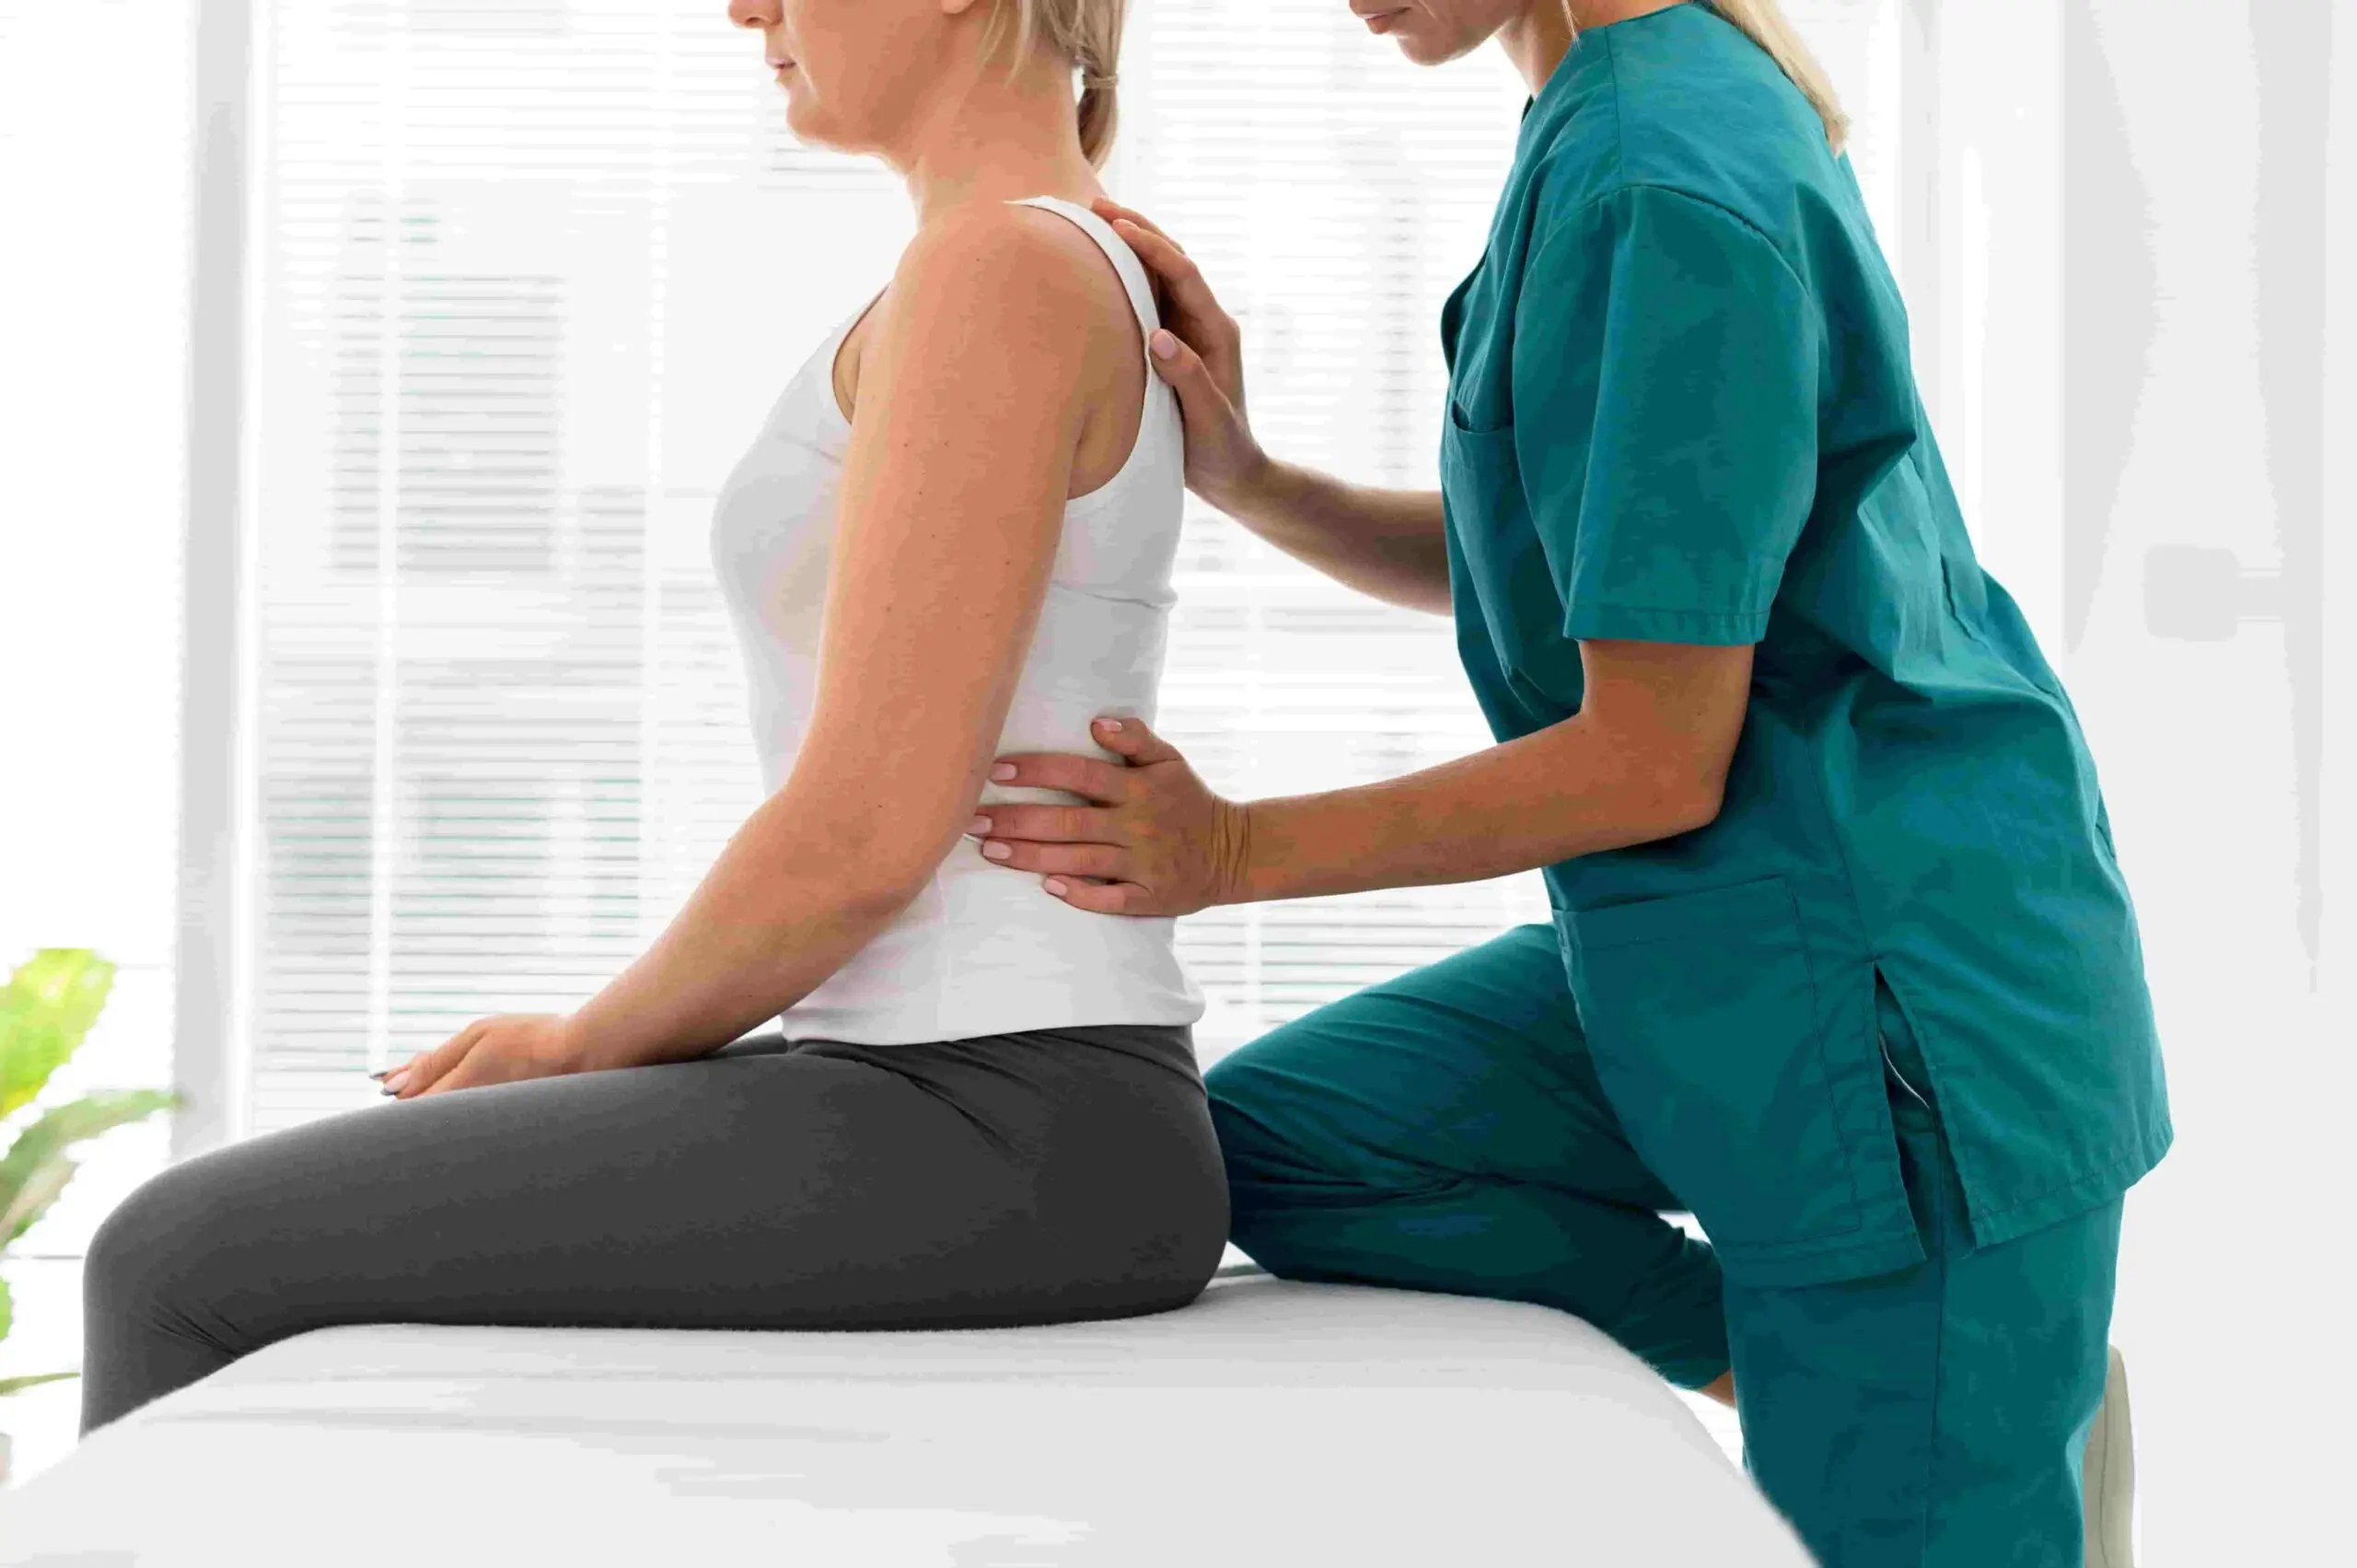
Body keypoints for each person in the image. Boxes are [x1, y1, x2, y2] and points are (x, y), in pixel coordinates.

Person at [969, 3, 2170, 1564]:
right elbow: (1600, 561)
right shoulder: (1618, 119)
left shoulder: (1657, 175)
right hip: (1740, 929)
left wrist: (1232, 849)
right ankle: (1893, 1391)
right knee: (1282, 1147)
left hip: (1894, 995)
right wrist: (1257, 483)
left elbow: (1651, 755)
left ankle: (1948, 1410)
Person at [77, 0, 1227, 1435]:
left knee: (173, 1258)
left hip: (1009, 1116)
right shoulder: (1032, 258)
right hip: (988, 1094)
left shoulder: (1003, 267)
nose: (746, 7)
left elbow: (868, 832)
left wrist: (581, 1043)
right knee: (212, 1243)